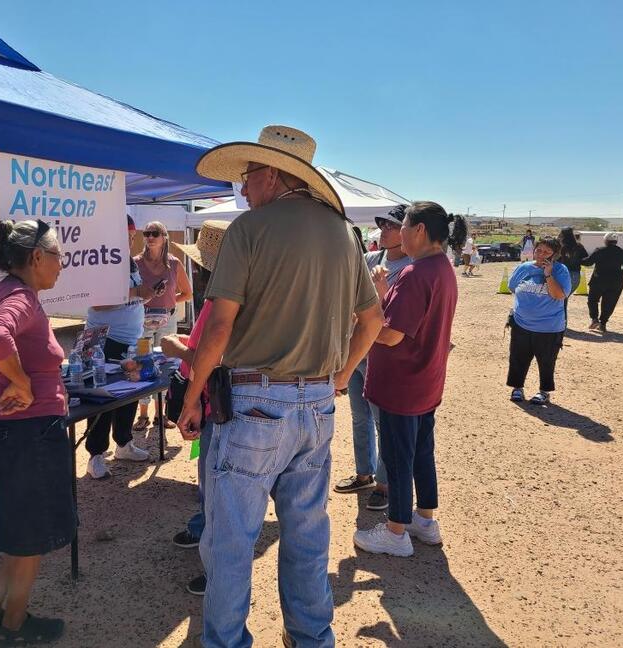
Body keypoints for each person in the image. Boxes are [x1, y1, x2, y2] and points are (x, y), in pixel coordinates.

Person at [178, 125, 383, 648]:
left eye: (247, 176)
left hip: (253, 403)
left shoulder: (250, 230)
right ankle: (312, 638)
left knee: (230, 540)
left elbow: (219, 328)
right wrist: (339, 377)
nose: (243, 188)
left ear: (272, 174)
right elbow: (373, 320)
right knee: (307, 534)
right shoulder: (343, 233)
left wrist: (190, 394)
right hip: (316, 404)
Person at [0, 219, 71, 644]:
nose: (62, 266)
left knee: (18, 530)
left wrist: (17, 379)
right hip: (29, 433)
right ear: (38, 257)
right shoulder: (20, 296)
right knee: (30, 537)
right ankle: (14, 627)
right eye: (59, 257)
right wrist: (22, 382)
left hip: (14, 431)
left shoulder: (6, 291)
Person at [353, 202, 466, 558]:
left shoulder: (416, 273)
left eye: (402, 225)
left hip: (402, 382)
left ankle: (396, 530)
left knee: (398, 456)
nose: (397, 232)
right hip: (426, 379)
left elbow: (391, 335)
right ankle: (424, 519)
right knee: (421, 453)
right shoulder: (443, 268)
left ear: (418, 231)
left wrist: (371, 311)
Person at [162, 220, 230, 597]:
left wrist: (179, 350)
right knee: (212, 485)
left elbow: (215, 357)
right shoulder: (223, 296)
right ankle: (205, 535)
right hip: (212, 403)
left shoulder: (224, 299)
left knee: (218, 488)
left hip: (213, 404)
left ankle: (216, 570)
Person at [334, 204, 411, 514]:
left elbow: (393, 319)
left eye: (392, 225)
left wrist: (379, 293)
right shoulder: (370, 259)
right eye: (382, 224)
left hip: (384, 355)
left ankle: (385, 483)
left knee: (383, 422)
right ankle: (365, 473)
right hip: (358, 349)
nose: (385, 229)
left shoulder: (410, 269)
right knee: (359, 415)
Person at [84, 215, 162, 479]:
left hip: (129, 339)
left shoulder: (127, 261)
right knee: (101, 398)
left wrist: (145, 293)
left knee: (130, 392)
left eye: (131, 237)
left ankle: (123, 443)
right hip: (104, 340)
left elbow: (130, 294)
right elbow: (97, 302)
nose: (129, 242)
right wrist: (136, 294)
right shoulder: (99, 259)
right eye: (125, 237)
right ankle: (95, 454)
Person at [134, 220, 193, 431]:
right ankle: (143, 415)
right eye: (147, 233)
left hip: (167, 322)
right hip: (141, 320)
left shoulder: (174, 264)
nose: (150, 237)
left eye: (154, 233)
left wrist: (167, 300)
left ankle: (161, 414)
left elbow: (187, 294)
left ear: (164, 237)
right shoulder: (136, 263)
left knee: (166, 366)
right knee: (143, 364)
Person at [505, 236, 571, 405]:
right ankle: (517, 388)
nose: (541, 254)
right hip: (521, 323)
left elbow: (559, 295)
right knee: (518, 358)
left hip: (549, 327)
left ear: (555, 254)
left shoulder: (560, 270)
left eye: (547, 252)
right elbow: (512, 287)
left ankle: (544, 391)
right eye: (539, 250)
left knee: (547, 361)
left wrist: (548, 274)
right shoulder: (524, 268)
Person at [581, 232, 623, 334]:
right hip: (616, 283)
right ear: (616, 241)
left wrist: (577, 260)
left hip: (598, 281)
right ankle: (603, 324)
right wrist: (620, 275)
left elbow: (588, 262)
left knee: (593, 300)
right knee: (609, 303)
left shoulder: (600, 250)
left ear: (606, 241)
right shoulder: (622, 252)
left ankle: (594, 319)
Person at [557, 227, 588, 323]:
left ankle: (561, 322)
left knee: (560, 299)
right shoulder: (579, 246)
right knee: (563, 299)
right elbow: (586, 260)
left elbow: (556, 259)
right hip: (575, 276)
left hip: (564, 274)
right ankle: (562, 321)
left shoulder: (562, 247)